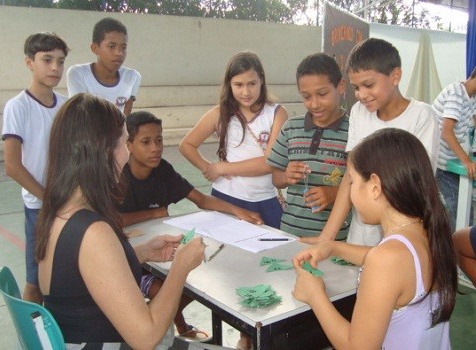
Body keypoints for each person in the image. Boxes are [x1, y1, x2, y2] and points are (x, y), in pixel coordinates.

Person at [36, 93, 206, 348]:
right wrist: (181, 266)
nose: (127, 154)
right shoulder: (93, 232)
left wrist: (142, 252)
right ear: (104, 151)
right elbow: (146, 338)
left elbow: (85, 275)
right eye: (124, 143)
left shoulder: (59, 212)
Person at [293, 128, 457, 350]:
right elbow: (395, 266)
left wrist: (315, 295)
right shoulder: (427, 231)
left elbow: (357, 347)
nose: (349, 192)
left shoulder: (386, 259)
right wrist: (333, 247)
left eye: (352, 182)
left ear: (374, 187)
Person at [118, 110, 263, 341]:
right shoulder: (119, 174)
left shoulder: (163, 170)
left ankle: (181, 327)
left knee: (203, 279)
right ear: (128, 145)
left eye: (159, 140)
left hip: (159, 250)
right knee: (167, 288)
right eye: (145, 142)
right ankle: (167, 328)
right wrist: (154, 212)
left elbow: (201, 199)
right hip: (129, 259)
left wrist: (237, 211)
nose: (155, 148)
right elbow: (114, 220)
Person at [303, 38, 439, 247]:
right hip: (361, 234)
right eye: (356, 87)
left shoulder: (422, 116)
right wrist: (327, 237)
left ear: (395, 76)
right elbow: (351, 175)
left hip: (402, 236)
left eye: (368, 85)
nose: (361, 95)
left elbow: (416, 183)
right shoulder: (359, 112)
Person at [179, 51, 288, 229]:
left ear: (262, 80)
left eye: (252, 83)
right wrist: (208, 168)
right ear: (229, 85)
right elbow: (187, 145)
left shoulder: (276, 113)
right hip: (225, 198)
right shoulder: (219, 113)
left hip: (265, 199)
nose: (246, 92)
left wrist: (222, 167)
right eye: (238, 85)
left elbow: (270, 162)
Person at [1, 32, 69, 304]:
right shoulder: (18, 107)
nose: (55, 68)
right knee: (35, 282)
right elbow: (13, 166)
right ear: (30, 62)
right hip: (40, 209)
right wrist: (48, 198)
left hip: (66, 204)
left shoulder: (65, 105)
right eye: (47, 60)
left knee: (65, 275)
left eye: (61, 61)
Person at [267, 53, 351, 239]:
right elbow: (276, 179)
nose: (314, 104)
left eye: (322, 94)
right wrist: (286, 175)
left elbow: (363, 187)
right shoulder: (291, 128)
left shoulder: (354, 132)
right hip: (291, 234)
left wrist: (334, 193)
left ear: (341, 86)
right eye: (306, 96)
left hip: (335, 241)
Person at [67, 17, 141, 115]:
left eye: (123, 47)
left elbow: (126, 117)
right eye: (111, 46)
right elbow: (80, 115)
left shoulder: (132, 76)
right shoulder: (78, 74)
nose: (119, 53)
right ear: (95, 48)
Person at [433, 68, 476, 231]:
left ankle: (462, 249)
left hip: (451, 161)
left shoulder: (472, 97)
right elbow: (446, 131)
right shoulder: (457, 94)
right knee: (458, 212)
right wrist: (467, 161)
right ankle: (453, 252)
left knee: (466, 212)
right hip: (441, 164)